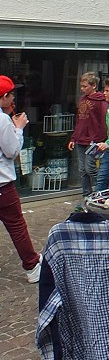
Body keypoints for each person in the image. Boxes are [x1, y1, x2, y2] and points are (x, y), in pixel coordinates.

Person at [0, 75, 41, 282]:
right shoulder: (3, 121)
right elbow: (11, 151)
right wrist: (19, 128)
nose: (14, 98)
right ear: (4, 97)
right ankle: (32, 266)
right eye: (11, 94)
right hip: (2, 185)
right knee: (17, 226)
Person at [67, 72, 107, 196]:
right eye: (81, 86)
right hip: (81, 139)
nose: (82, 89)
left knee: (90, 168)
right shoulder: (83, 99)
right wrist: (74, 137)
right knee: (82, 170)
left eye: (85, 86)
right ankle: (87, 194)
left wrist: (100, 139)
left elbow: (103, 120)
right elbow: (79, 120)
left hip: (94, 140)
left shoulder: (102, 101)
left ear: (94, 85)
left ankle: (101, 191)